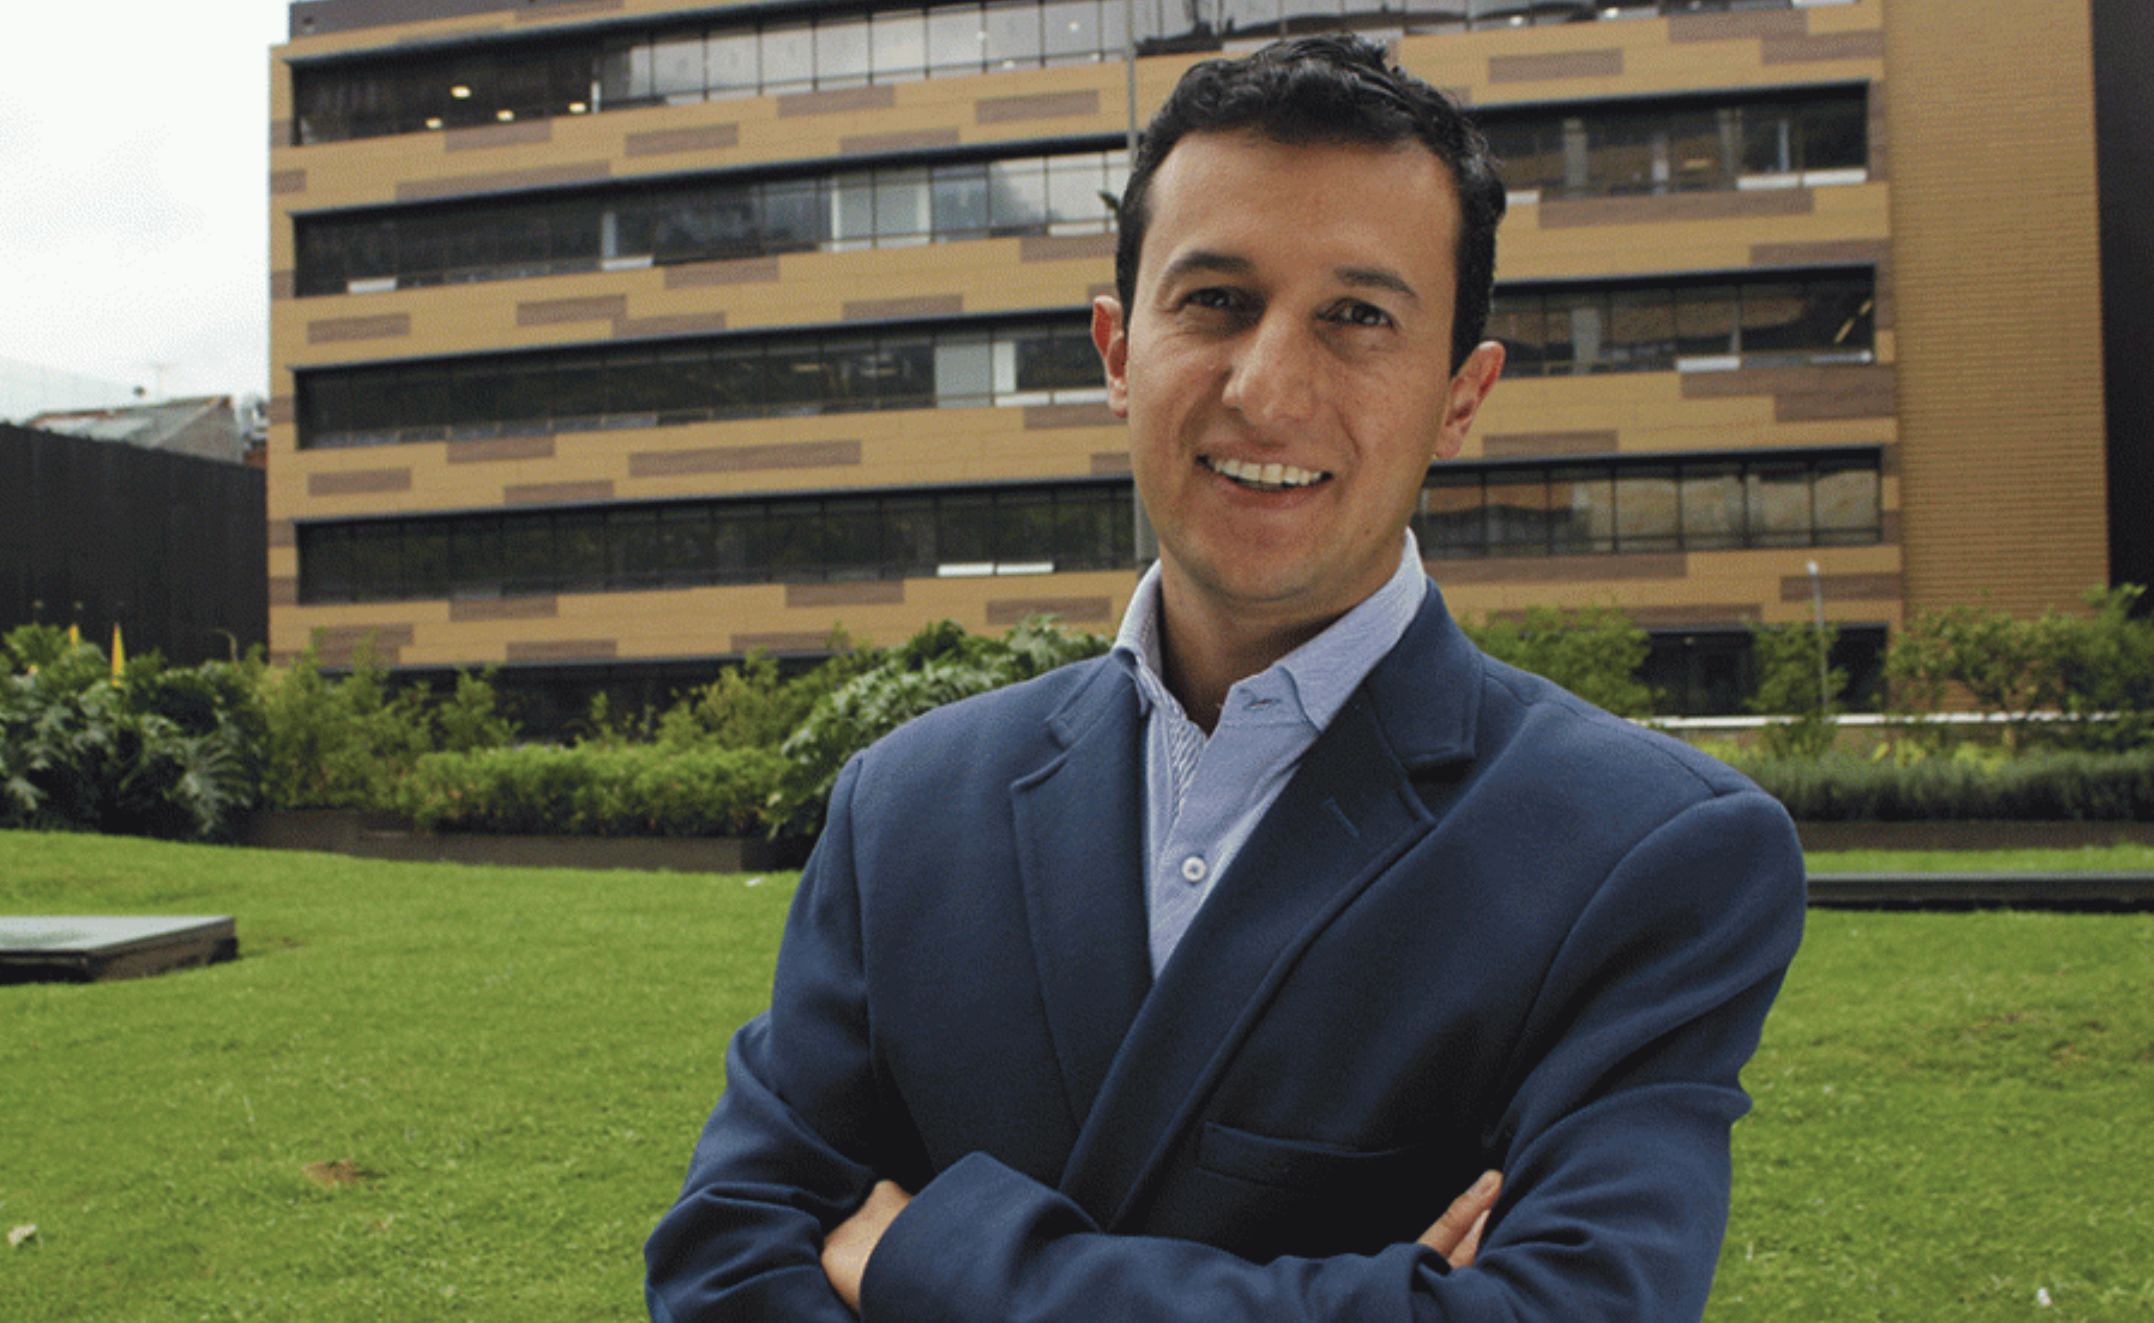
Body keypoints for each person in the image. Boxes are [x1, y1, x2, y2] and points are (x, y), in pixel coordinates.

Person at [646, 34, 1805, 1322]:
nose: (1268, 388)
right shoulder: (905, 808)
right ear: (1116, 350)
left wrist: (929, 1260)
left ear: (1461, 397)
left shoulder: (1650, 857)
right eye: (1214, 301)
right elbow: (724, 1263)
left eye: (1359, 317)